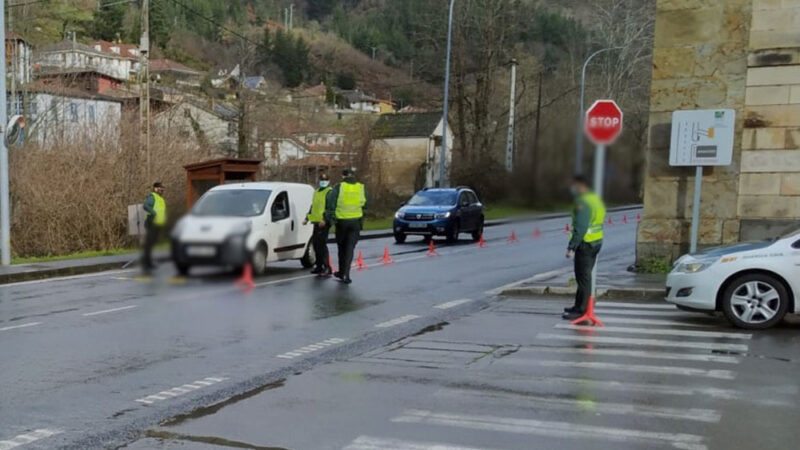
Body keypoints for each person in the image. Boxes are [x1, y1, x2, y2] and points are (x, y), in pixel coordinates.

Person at [563, 174, 605, 320]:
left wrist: (572, 247)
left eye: (575, 185)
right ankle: (578, 305)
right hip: (596, 242)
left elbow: (580, 226)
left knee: (583, 278)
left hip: (585, 244)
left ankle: (581, 310)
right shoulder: (595, 199)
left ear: (581, 186)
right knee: (584, 277)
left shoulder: (583, 202)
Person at [325, 168, 366, 285]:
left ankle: (342, 272)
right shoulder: (361, 187)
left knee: (341, 247)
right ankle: (345, 274)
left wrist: (331, 218)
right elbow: (366, 203)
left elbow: (331, 202)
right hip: (356, 222)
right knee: (349, 248)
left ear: (343, 176)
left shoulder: (339, 187)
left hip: (342, 221)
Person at [304, 173, 333, 276]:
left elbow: (329, 208)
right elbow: (313, 206)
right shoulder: (316, 192)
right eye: (321, 180)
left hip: (324, 222)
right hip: (316, 222)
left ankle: (327, 267)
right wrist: (307, 218)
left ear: (328, 181)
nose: (323, 181)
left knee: (322, 245)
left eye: (325, 180)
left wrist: (325, 219)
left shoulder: (329, 192)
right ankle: (319, 266)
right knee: (316, 244)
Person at [142, 181, 167, 274]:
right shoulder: (152, 197)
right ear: (155, 188)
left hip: (157, 224)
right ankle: (147, 263)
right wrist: (154, 213)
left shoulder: (160, 198)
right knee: (149, 244)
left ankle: (148, 262)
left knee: (151, 244)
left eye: (162, 189)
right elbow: (146, 206)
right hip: (152, 222)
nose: (161, 190)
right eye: (160, 188)